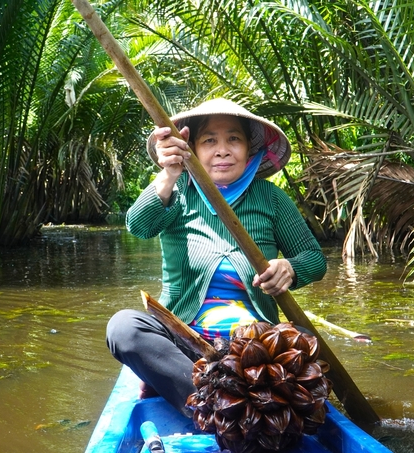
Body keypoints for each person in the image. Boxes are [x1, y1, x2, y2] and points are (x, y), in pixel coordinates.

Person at [106, 98, 326, 417]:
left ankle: (228, 402)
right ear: (191, 147)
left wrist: (290, 268)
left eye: (233, 139)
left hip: (252, 349)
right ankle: (212, 406)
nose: (222, 150)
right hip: (186, 343)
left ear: (249, 150)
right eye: (209, 140)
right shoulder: (178, 191)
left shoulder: (271, 199)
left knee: (304, 342)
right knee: (123, 328)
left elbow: (315, 259)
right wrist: (168, 176)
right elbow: (138, 225)